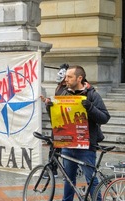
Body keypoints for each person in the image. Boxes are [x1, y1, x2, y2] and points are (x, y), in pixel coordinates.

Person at [58, 65, 110, 201]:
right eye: (66, 76)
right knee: (68, 180)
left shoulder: (92, 95)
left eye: (69, 77)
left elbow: (105, 117)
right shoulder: (64, 93)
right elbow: (59, 119)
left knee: (91, 181)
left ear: (79, 78)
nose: (66, 79)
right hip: (68, 144)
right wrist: (50, 107)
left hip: (86, 145)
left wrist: (90, 107)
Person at [41, 63, 69, 177]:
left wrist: (52, 103)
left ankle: (55, 169)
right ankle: (52, 169)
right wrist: (48, 102)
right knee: (55, 146)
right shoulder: (59, 87)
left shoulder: (69, 89)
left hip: (65, 123)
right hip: (58, 122)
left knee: (60, 147)